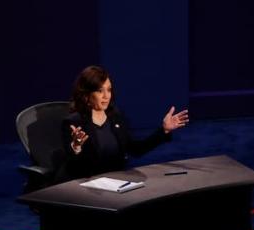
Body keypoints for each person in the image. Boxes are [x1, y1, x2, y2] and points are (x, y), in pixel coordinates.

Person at [55, 65, 189, 182]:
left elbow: (136, 149)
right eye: (100, 91)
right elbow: (74, 166)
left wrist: (164, 130)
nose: (106, 96)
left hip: (116, 182)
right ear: (87, 95)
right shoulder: (74, 122)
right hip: (86, 184)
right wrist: (76, 147)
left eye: (109, 90)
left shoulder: (115, 117)